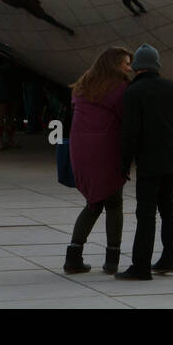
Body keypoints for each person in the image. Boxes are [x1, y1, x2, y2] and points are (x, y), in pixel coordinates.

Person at [119, 45, 173, 280]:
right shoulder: (171, 87)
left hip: (149, 160)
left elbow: (130, 133)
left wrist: (124, 164)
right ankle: (169, 258)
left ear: (136, 66)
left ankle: (141, 266)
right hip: (172, 159)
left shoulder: (133, 92)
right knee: (168, 208)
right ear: (157, 64)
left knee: (145, 213)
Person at [64, 47, 132, 274]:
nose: (129, 68)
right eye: (125, 63)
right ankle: (112, 259)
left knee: (94, 201)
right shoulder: (120, 88)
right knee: (113, 203)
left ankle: (73, 256)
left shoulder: (83, 85)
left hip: (80, 148)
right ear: (114, 64)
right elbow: (127, 119)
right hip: (106, 148)